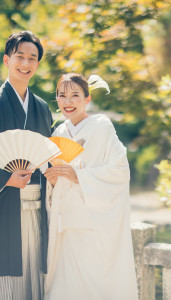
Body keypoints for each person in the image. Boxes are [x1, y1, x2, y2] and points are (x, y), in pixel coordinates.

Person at [44, 73, 138, 300]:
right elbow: (55, 186)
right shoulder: (57, 133)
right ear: (56, 99)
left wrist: (80, 176)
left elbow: (120, 171)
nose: (68, 101)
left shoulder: (101, 126)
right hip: (65, 224)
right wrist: (54, 183)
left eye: (75, 95)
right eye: (62, 95)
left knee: (95, 286)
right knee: (64, 288)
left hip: (93, 225)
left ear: (87, 99)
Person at [0, 31, 53, 299]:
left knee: (35, 275)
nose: (26, 63)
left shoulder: (42, 108)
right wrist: (6, 179)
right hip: (4, 203)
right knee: (7, 276)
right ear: (7, 60)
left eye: (32, 58)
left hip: (36, 205)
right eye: (20, 56)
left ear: (38, 65)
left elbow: (49, 156)